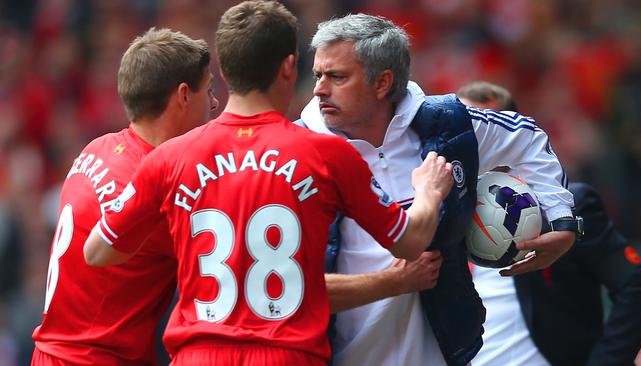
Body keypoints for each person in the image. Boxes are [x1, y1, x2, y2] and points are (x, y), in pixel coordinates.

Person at [82, 1, 454, 365]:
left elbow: (97, 252)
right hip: (288, 354)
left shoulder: (167, 158)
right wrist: (429, 191)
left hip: (198, 355)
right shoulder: (328, 155)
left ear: (224, 72)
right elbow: (410, 242)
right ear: (289, 67)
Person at [297, 14, 580, 366]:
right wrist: (392, 281)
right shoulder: (297, 152)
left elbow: (528, 138)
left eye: (337, 76)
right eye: (318, 75)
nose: (319, 89)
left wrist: (561, 221)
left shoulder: (448, 126)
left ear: (383, 82)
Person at [30, 28, 218, 365]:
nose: (216, 103)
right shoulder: (162, 187)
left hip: (50, 354)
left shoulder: (96, 148)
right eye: (209, 90)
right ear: (184, 96)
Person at [458, 80, 641, 366]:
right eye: (468, 131)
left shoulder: (568, 207)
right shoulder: (443, 214)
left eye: (487, 129)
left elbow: (634, 286)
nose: (476, 141)